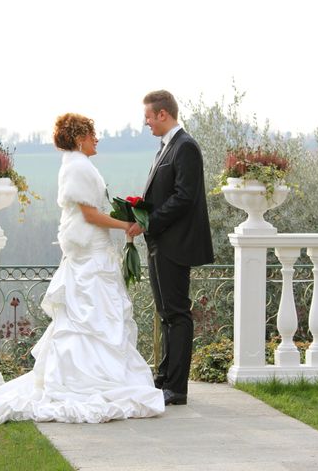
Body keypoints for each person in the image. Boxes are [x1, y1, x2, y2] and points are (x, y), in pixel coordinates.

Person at [0, 113, 164, 423]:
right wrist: (127, 225)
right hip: (90, 252)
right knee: (88, 317)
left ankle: (101, 377)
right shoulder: (77, 166)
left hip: (94, 250)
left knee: (96, 318)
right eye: (93, 134)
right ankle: (88, 382)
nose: (97, 139)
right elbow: (90, 215)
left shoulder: (79, 165)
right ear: (80, 138)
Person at [128, 90, 214, 406]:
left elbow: (184, 197)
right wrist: (136, 210)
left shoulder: (185, 147)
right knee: (166, 314)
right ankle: (164, 377)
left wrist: (148, 223)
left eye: (149, 117)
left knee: (177, 314)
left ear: (163, 114)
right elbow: (166, 194)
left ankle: (176, 388)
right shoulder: (167, 148)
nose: (146, 123)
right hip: (162, 243)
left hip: (174, 245)